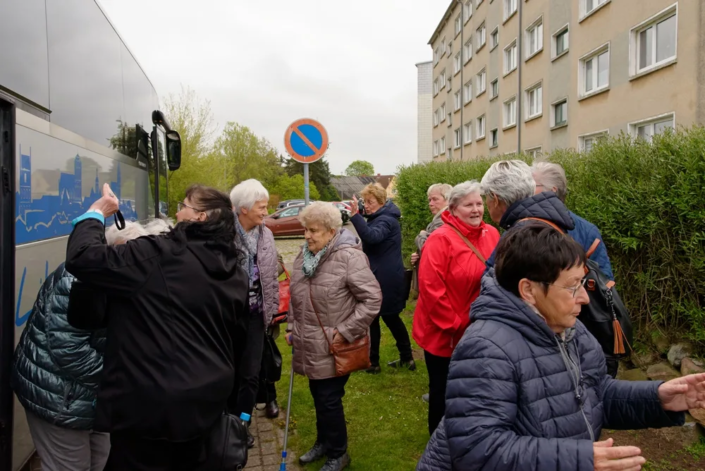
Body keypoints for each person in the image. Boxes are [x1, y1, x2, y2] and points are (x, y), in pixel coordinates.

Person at [417, 224, 705, 471]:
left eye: (582, 283)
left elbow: (594, 393)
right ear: (528, 290)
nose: (583, 298)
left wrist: (658, 399)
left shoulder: (568, 327)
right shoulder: (486, 348)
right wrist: (579, 460)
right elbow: (478, 451)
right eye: (572, 286)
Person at [64, 183, 248, 471]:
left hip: (153, 410)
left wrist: (95, 213)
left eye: (183, 205)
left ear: (201, 217)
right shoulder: (234, 270)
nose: (176, 212)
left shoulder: (159, 254)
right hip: (208, 399)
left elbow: (83, 257)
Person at [10, 220, 158, 471]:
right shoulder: (74, 284)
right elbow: (69, 351)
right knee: (70, 466)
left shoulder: (116, 278)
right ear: (113, 252)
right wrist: (119, 378)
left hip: (89, 398)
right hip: (58, 397)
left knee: (100, 460)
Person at [285, 202, 382, 471]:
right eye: (305, 230)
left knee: (328, 398)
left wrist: (345, 332)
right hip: (309, 342)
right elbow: (296, 296)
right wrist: (292, 327)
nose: (307, 236)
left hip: (335, 345)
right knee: (319, 395)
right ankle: (324, 442)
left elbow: (372, 300)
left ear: (330, 231)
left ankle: (339, 453)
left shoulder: (349, 257)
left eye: (313, 231)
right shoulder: (304, 256)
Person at [412, 181, 499, 435]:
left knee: (474, 390)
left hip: (481, 331)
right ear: (453, 208)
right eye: (468, 205)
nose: (476, 210)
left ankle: (470, 437)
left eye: (479, 204)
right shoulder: (440, 239)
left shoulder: (492, 234)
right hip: (445, 335)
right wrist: (457, 326)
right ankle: (439, 444)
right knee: (443, 391)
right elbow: (431, 291)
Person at [228, 179, 279, 445]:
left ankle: (242, 424)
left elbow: (271, 274)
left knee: (250, 374)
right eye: (261, 207)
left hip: (256, 315)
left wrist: (270, 310)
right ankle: (225, 422)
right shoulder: (224, 234)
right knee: (228, 372)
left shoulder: (266, 234)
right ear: (244, 208)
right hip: (227, 318)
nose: (265, 211)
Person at [350, 183, 413, 373]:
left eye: (370, 202)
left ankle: (380, 361)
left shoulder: (386, 220)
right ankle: (398, 359)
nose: (367, 206)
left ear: (381, 202)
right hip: (383, 276)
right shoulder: (382, 217)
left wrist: (355, 217)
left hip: (386, 279)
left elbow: (373, 237)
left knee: (384, 317)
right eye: (365, 202)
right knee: (382, 318)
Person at [480, 159, 574, 268]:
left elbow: (501, 282)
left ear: (495, 199)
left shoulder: (519, 236)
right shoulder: (549, 218)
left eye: (485, 196)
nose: (485, 202)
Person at [531, 161, 614, 279]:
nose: (528, 190)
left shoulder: (587, 231)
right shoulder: (523, 224)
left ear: (552, 190)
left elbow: (603, 281)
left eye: (533, 185)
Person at [409, 183, 453, 266]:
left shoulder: (443, 221)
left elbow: (429, 249)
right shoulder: (444, 218)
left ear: (448, 200)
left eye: (435, 199)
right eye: (429, 200)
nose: (430, 203)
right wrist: (418, 256)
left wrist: (421, 235)